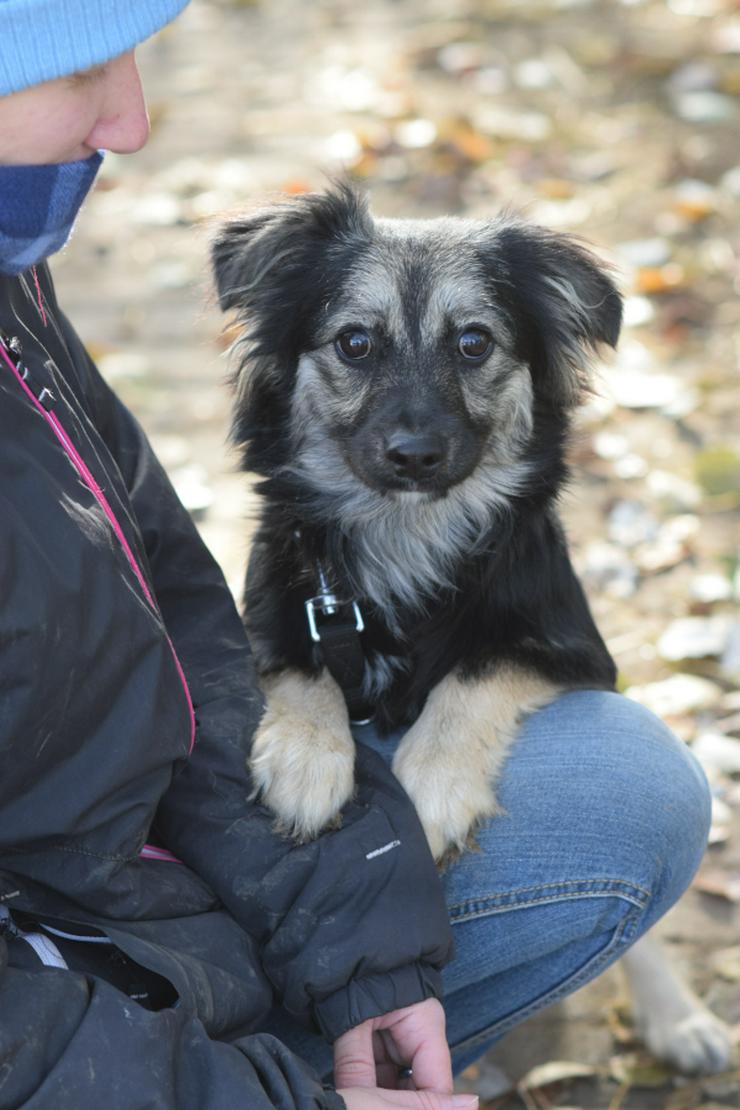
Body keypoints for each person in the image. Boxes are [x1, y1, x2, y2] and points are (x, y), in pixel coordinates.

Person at [0, 2, 713, 1107]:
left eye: (471, 349)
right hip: (94, 1009)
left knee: (624, 776)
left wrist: (362, 955)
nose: (134, 120)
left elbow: (181, 624)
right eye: (86, 66)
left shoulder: (16, 299)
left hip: (168, 899)